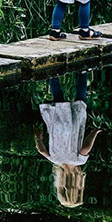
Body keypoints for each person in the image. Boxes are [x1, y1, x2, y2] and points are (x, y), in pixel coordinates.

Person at [34, 74, 101, 208]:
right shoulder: (55, 160)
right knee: (58, 98)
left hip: (74, 126)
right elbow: (41, 150)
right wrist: (38, 137)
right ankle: (53, 76)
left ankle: (83, 72)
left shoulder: (79, 161)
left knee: (80, 99)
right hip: (58, 126)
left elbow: (85, 148)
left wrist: (94, 133)